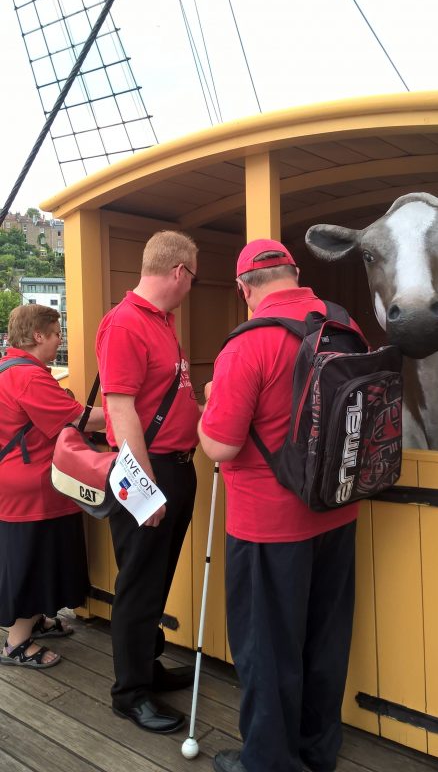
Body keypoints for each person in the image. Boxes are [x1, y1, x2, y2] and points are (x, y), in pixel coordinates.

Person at [198, 239, 360, 772]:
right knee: (325, 641)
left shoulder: (247, 345)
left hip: (268, 526)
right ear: (295, 273)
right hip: (338, 512)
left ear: (245, 289)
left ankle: (268, 762)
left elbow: (220, 445)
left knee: (267, 651)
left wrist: (207, 406)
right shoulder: (345, 326)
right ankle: (317, 750)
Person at [96, 229, 200, 734]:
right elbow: (120, 408)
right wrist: (143, 487)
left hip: (176, 467)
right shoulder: (125, 323)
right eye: (193, 276)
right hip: (149, 470)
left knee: (156, 579)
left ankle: (147, 669)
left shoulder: (162, 321)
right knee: (138, 585)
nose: (191, 286)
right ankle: (129, 693)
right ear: (179, 271)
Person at [0, 304, 105, 669]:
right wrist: (127, 413)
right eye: (57, 332)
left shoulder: (9, 369)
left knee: (34, 558)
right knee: (33, 561)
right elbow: (79, 418)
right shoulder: (29, 377)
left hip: (19, 484)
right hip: (32, 489)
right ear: (38, 335)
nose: (61, 338)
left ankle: (36, 622)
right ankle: (16, 642)